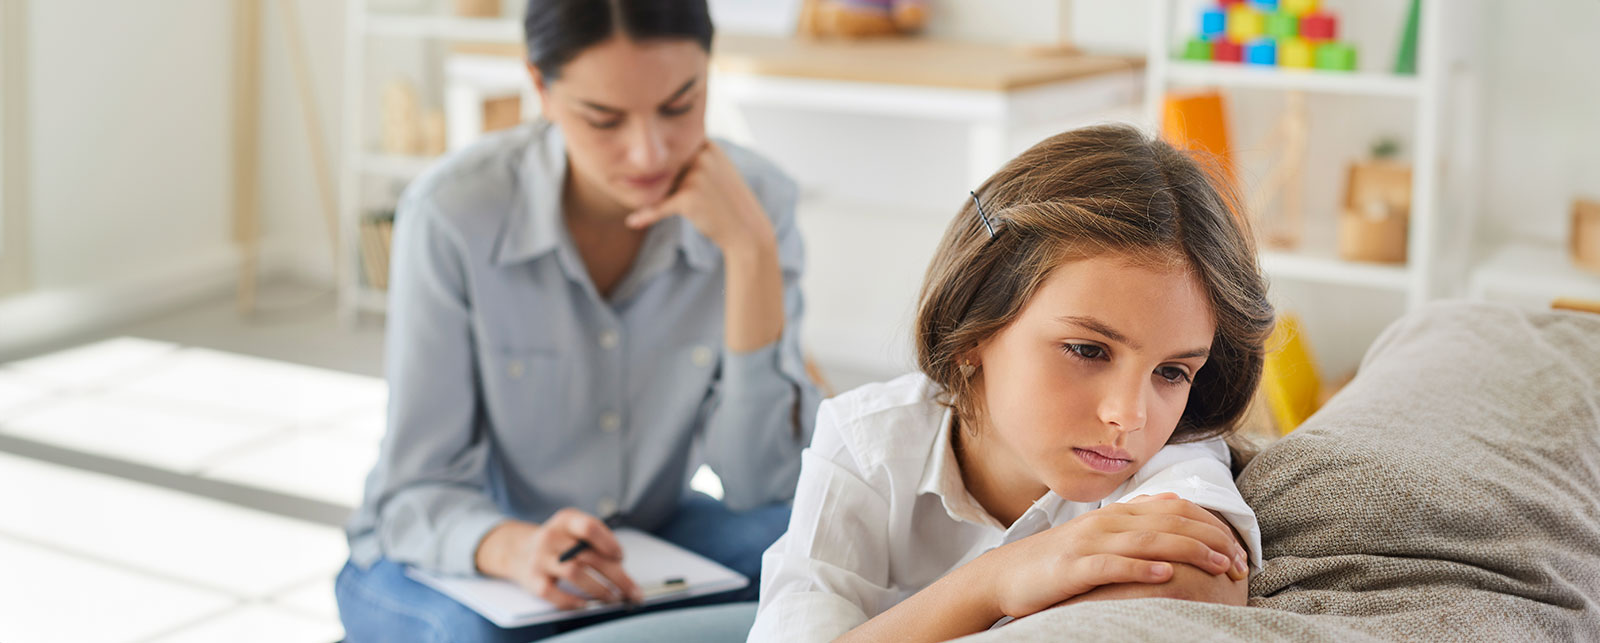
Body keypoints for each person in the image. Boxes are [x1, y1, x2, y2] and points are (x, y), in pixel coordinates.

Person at [334, 1, 821, 640]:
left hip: (640, 539)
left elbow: (763, 485)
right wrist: (515, 549)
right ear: (540, 87)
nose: (649, 152)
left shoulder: (756, 204)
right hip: (455, 554)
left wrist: (750, 254)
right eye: (604, 119)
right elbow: (415, 489)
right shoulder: (453, 213)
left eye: (680, 105)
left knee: (822, 568)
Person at [750, 124, 1276, 641]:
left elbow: (1191, 588)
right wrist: (992, 583)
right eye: (1088, 350)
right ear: (972, 329)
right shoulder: (866, 442)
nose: (1130, 415)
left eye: (1172, 372)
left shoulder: (1174, 452)